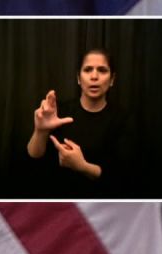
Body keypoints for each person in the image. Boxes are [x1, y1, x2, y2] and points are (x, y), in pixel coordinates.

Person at [26, 48, 128, 198]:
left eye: (102, 70)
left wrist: (83, 167)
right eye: (87, 70)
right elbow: (33, 160)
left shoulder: (123, 119)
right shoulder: (56, 112)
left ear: (112, 79)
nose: (94, 76)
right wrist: (40, 131)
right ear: (79, 78)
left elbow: (124, 177)